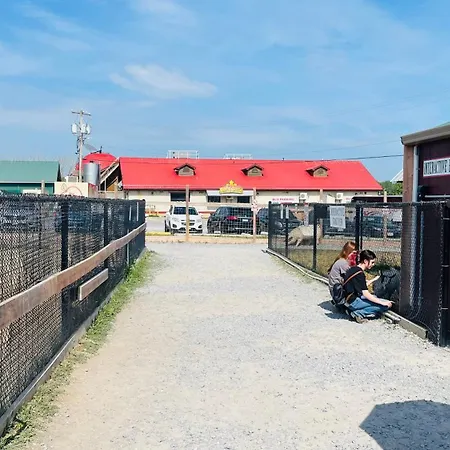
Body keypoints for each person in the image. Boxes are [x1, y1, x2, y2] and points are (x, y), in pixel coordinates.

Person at [343, 249, 392, 324]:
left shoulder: (353, 269)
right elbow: (365, 294)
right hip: (353, 301)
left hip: (347, 299)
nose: (373, 264)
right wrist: (382, 303)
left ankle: (352, 310)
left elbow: (360, 286)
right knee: (385, 305)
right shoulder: (360, 274)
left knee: (376, 299)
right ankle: (358, 313)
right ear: (365, 261)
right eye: (372, 262)